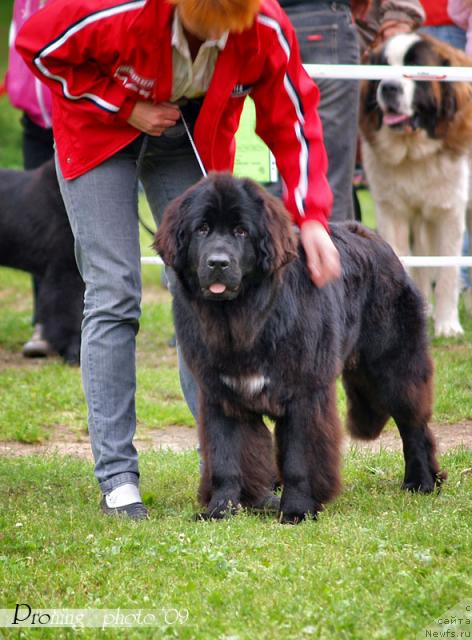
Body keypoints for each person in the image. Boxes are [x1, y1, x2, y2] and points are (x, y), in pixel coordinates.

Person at [17, 0, 341, 519]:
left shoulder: (263, 25)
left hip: (187, 130)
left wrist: (313, 216)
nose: (214, 41)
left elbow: (292, 118)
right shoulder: (111, 10)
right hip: (101, 127)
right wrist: (123, 105)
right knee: (114, 292)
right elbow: (37, 47)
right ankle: (118, 479)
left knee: (207, 293)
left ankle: (229, 477)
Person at [5, 0, 54, 359]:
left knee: (74, 235)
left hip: (84, 120)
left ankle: (80, 321)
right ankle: (45, 322)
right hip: (35, 124)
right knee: (41, 230)